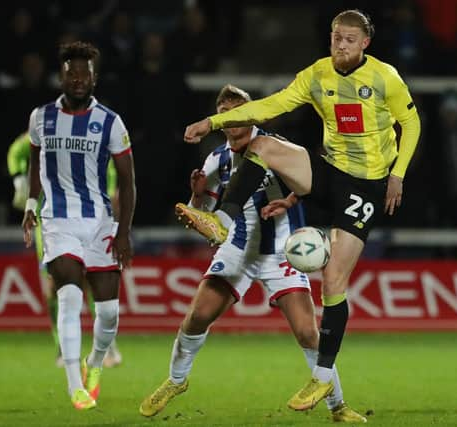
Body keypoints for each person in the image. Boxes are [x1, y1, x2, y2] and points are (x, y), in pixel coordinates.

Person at [182, 9, 421, 411]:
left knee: (333, 281)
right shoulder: (317, 74)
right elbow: (270, 106)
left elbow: (410, 125)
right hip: (328, 170)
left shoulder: (385, 77)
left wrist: (397, 175)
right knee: (262, 146)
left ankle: (322, 377)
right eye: (335, 37)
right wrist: (213, 121)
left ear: (365, 43)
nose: (340, 44)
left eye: (348, 39)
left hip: (366, 183)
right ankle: (220, 219)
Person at [139, 85, 367, 423]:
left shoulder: (275, 147)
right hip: (237, 250)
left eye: (238, 108)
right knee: (196, 318)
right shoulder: (216, 159)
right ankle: (176, 381)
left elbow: (312, 186)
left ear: (253, 111)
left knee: (308, 333)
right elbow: (202, 217)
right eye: (225, 110)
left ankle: (337, 406)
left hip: (282, 254)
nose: (232, 117)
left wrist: (289, 201)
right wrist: (197, 197)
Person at [21, 41, 136, 410]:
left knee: (108, 314)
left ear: (94, 78)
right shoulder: (40, 118)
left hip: (99, 223)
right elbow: (35, 165)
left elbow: (128, 181)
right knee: (68, 296)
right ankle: (75, 385)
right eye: (71, 73)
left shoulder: (111, 122)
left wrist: (123, 232)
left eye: (84, 74)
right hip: (58, 223)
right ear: (62, 76)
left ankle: (95, 362)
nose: (78, 80)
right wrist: (30, 205)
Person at [8, 131, 123, 368]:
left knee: (92, 282)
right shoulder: (47, 133)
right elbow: (16, 150)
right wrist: (19, 177)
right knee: (52, 288)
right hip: (50, 222)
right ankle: (62, 347)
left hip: (88, 220)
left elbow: (111, 185)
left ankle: (107, 345)